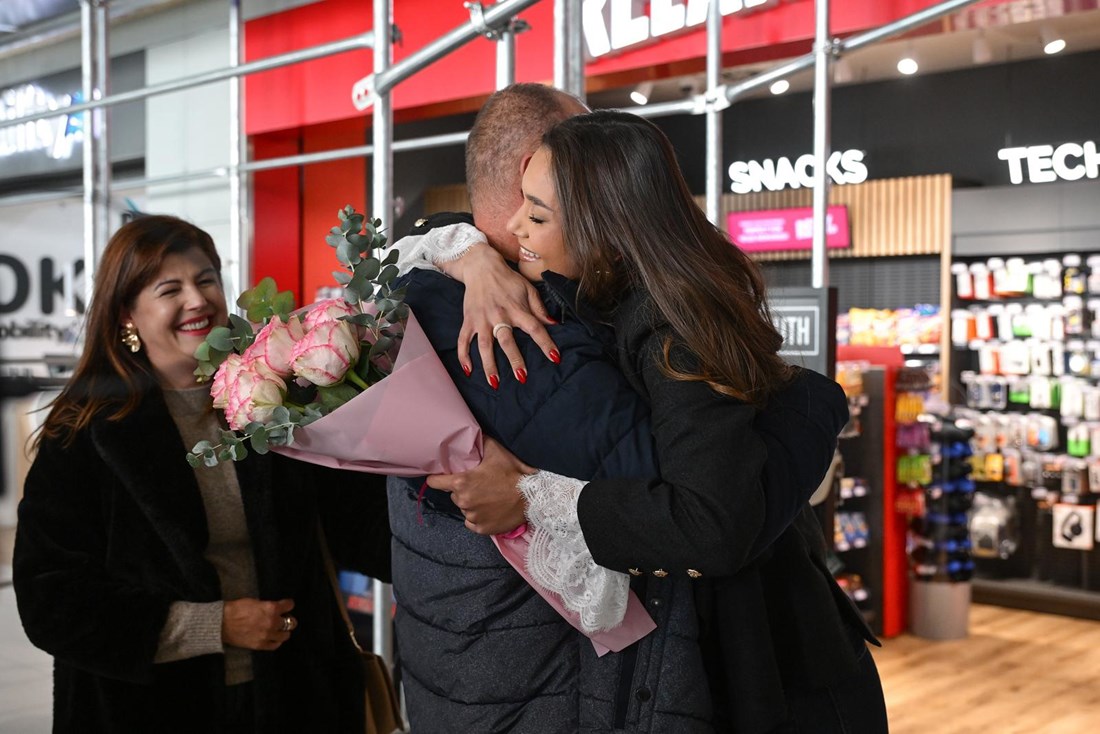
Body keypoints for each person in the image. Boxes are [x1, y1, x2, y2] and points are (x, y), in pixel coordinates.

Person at [390, 84, 854, 732]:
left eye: (537, 212)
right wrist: (468, 257)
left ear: (601, 221)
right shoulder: (594, 293)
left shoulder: (671, 328)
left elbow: (711, 521)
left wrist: (528, 495)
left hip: (770, 659)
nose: (515, 228)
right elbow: (423, 240)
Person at [13, 215, 392, 733]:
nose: (197, 300)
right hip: (148, 708)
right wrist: (215, 625)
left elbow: (357, 528)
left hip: (297, 696)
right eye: (170, 289)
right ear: (127, 314)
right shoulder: (85, 433)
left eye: (206, 279)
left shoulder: (278, 395)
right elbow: (51, 600)